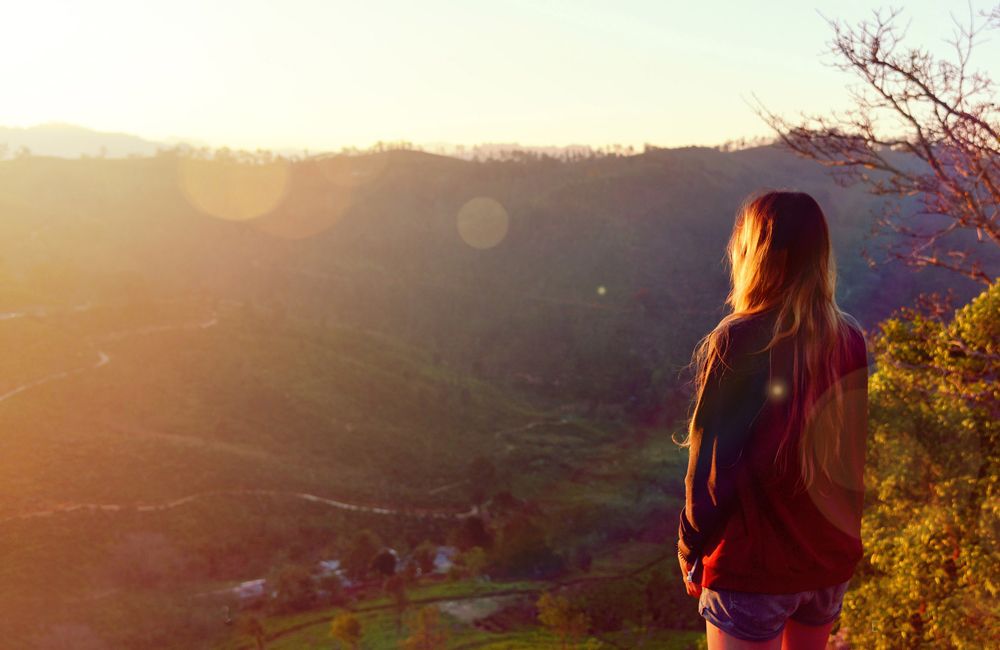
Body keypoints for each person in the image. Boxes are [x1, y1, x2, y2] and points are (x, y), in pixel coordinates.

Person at [674, 189, 870, 649]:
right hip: (824, 562)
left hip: (753, 569)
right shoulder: (849, 338)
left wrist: (689, 547)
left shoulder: (739, 339)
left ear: (754, 253)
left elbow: (712, 472)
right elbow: (852, 458)